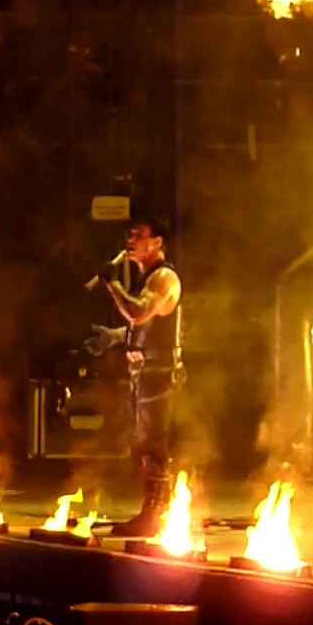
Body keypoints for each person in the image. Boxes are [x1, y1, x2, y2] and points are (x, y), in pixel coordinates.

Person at [87, 219, 183, 537]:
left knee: (153, 445)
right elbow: (143, 326)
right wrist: (115, 337)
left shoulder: (164, 278)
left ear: (157, 242)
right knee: (143, 444)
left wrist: (112, 283)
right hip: (143, 373)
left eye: (138, 235)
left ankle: (156, 516)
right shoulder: (148, 277)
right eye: (129, 235)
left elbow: (139, 312)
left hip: (158, 374)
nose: (130, 240)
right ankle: (151, 512)